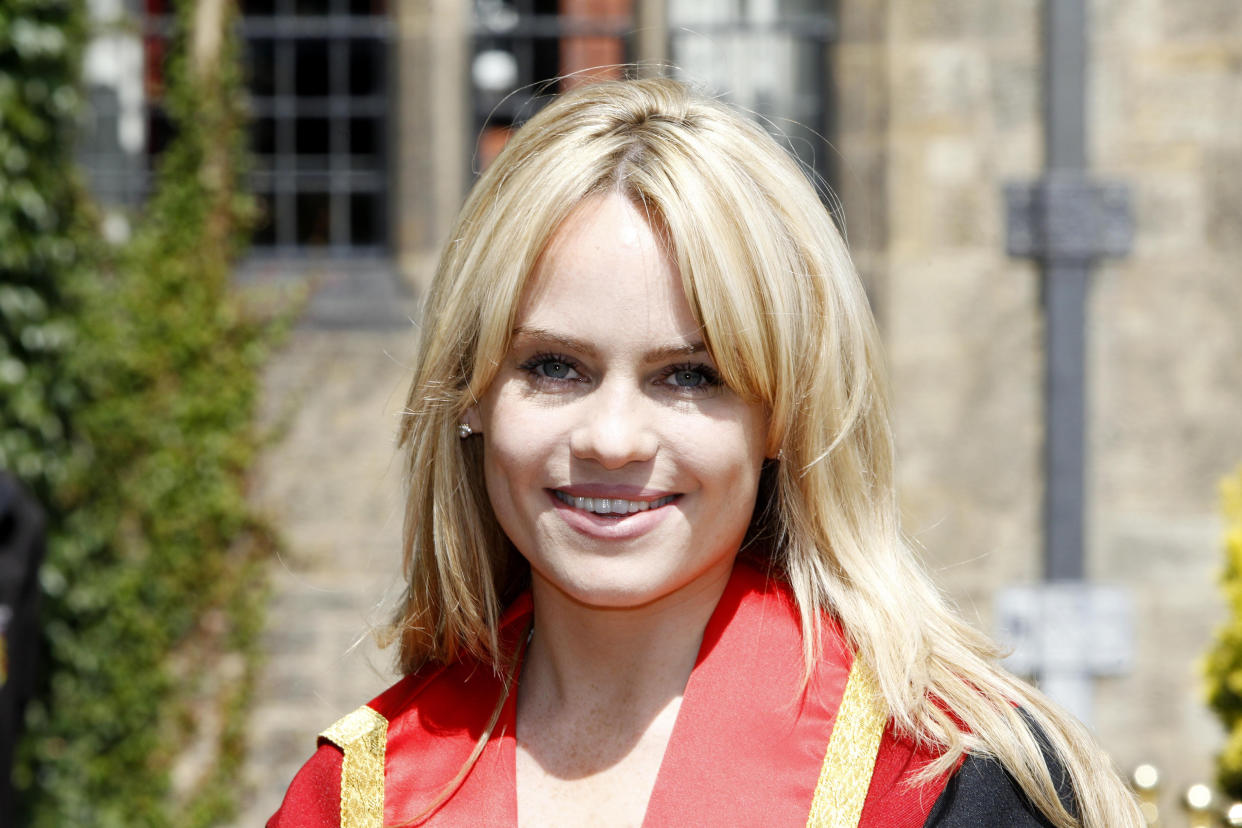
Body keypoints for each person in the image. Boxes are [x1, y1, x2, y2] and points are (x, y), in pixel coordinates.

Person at [269, 77, 1142, 827]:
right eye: (553, 366)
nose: (611, 437)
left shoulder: (939, 780)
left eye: (689, 376)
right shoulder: (357, 796)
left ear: (782, 415)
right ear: (471, 395)